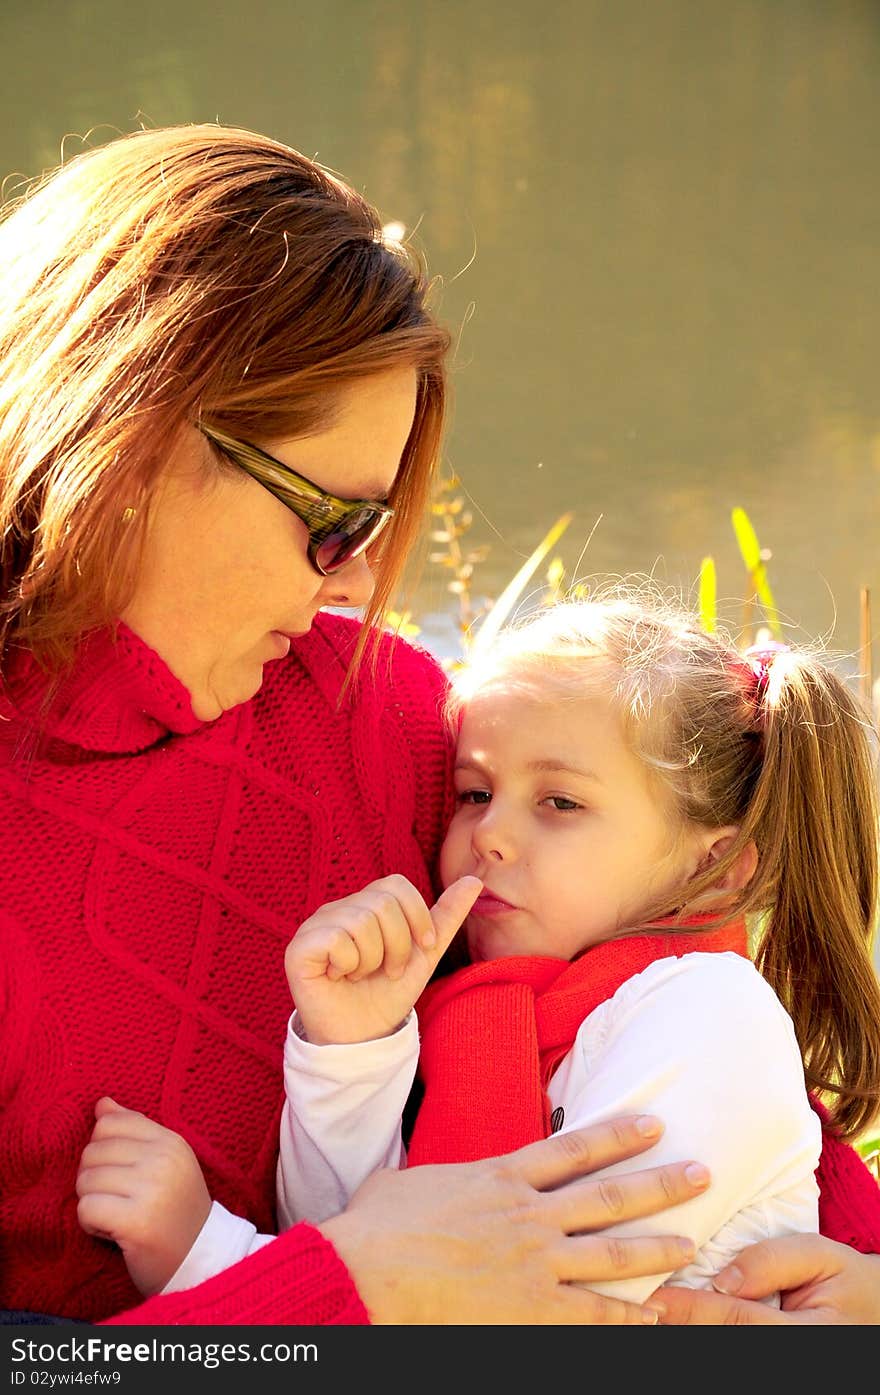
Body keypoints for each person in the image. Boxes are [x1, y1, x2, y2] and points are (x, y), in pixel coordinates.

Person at [0, 123, 875, 1327]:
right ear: (133, 433)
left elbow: (660, 1007)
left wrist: (860, 1287)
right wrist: (346, 1296)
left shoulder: (384, 720)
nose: (349, 586)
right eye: (330, 519)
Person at [80, 592, 880, 1314]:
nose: (489, 835)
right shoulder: (486, 1020)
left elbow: (503, 1305)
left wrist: (204, 1255)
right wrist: (354, 1052)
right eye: (474, 792)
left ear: (715, 862)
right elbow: (356, 1251)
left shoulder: (710, 1017)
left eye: (560, 802)